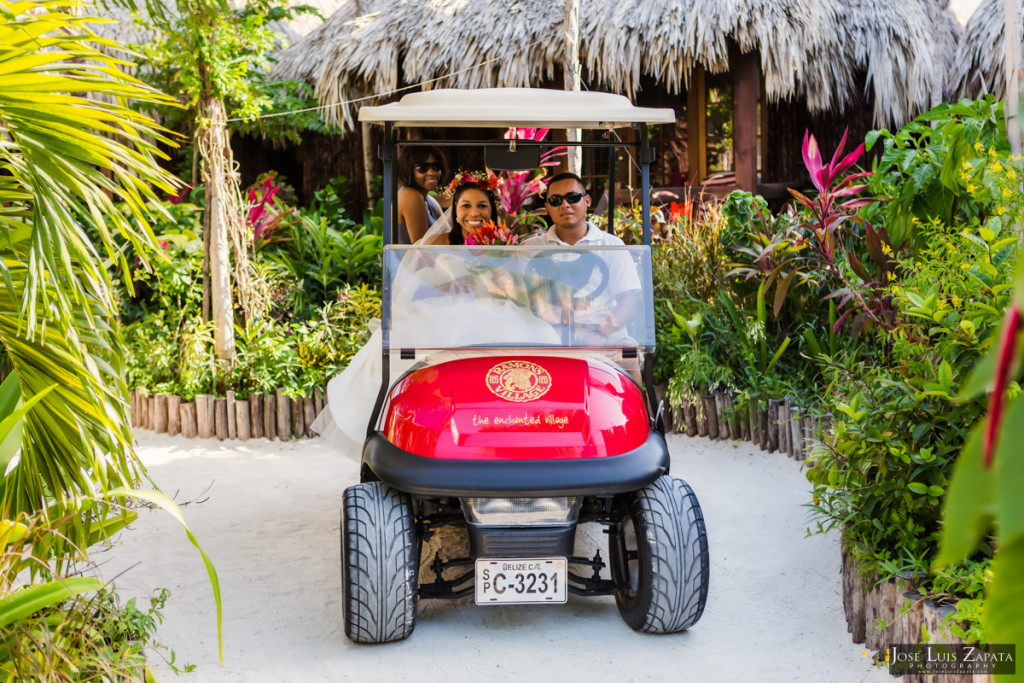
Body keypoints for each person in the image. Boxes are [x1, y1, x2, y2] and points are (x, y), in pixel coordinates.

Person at [524, 171, 642, 342]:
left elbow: (628, 299)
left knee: (629, 355)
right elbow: (519, 297)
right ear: (548, 208)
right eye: (556, 200)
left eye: (572, 197)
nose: (565, 205)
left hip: (603, 333)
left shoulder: (611, 245)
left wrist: (600, 333)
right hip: (547, 334)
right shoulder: (531, 249)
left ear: (587, 201)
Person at [419, 170, 499, 245]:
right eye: (466, 206)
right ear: (456, 207)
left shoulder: (506, 244)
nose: (474, 213)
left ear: (492, 208)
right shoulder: (434, 243)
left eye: (482, 206)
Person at [396, 147, 446, 244]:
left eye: (436, 166)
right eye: (422, 168)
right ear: (407, 168)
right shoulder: (410, 196)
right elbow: (422, 248)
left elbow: (452, 237)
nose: (432, 173)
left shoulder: (431, 201)